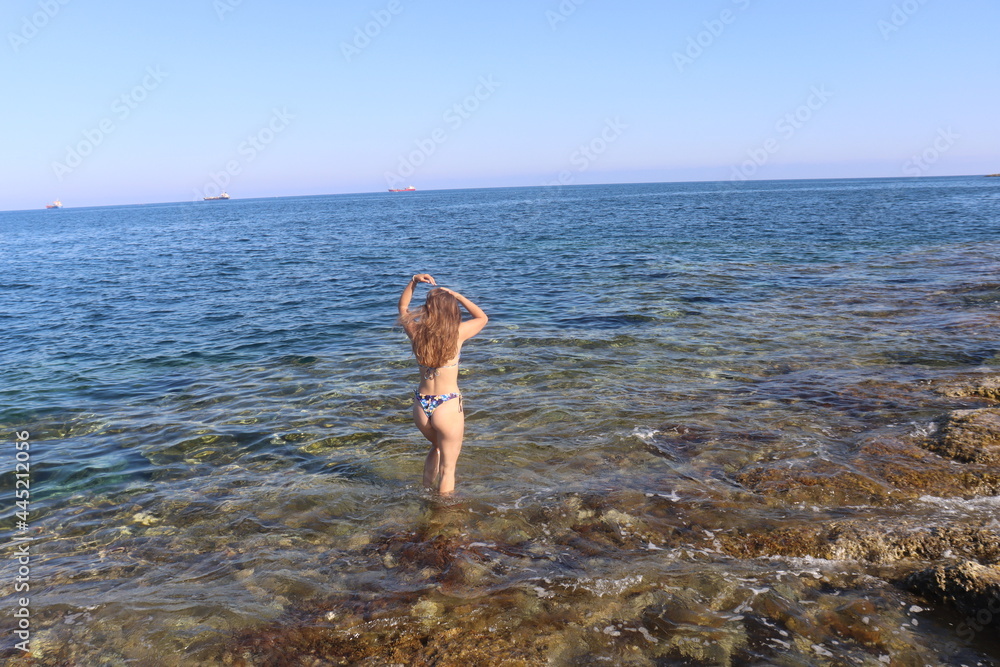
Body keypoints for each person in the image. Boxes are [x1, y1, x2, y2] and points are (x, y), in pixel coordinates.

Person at [398, 274, 488, 494]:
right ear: (452, 309)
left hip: (421, 406)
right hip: (447, 405)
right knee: (449, 469)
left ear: (428, 308)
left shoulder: (417, 332)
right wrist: (457, 296)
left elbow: (402, 306)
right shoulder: (457, 333)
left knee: (435, 446)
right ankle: (442, 515)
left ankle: (426, 492)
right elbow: (482, 317)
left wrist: (414, 281)